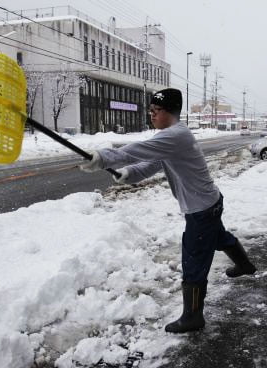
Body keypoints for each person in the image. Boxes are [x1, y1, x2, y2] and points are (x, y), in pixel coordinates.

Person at [79, 88, 257, 333]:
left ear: (169, 111)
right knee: (218, 237)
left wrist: (103, 157)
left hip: (201, 210)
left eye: (155, 110)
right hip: (210, 202)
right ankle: (245, 265)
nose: (151, 115)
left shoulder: (175, 136)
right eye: (150, 111)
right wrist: (127, 174)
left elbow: (135, 150)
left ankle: (193, 316)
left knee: (194, 261)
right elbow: (150, 164)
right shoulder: (172, 138)